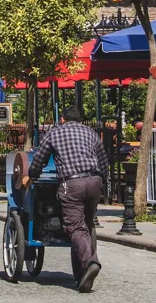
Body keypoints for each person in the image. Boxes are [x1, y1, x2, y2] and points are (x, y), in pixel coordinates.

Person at [19, 108, 106, 293]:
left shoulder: (55, 132)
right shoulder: (91, 133)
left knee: (75, 227)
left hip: (72, 183)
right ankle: (82, 274)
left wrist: (32, 176)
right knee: (86, 225)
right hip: (94, 181)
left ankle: (91, 262)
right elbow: (103, 160)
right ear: (80, 119)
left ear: (62, 119)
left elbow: (40, 159)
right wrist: (104, 182)